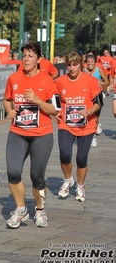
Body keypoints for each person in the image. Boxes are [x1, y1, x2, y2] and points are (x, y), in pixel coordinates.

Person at [3, 43, 58, 229]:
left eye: (30, 56)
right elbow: (7, 99)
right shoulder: (14, 78)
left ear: (39, 59)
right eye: (24, 55)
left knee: (37, 177)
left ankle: (40, 210)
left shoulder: (47, 81)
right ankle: (20, 209)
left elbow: (54, 109)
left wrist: (37, 100)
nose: (26, 59)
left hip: (41, 134)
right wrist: (9, 111)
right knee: (12, 172)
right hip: (18, 132)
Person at [54, 50, 102, 203]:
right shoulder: (60, 81)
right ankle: (68, 179)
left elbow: (99, 103)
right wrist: (56, 112)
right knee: (64, 153)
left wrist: (89, 111)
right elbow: (55, 101)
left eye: (75, 65)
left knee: (81, 158)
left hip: (86, 125)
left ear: (81, 64)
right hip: (66, 123)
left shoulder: (91, 81)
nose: (72, 68)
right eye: (69, 65)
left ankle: (80, 186)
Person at [83, 54, 109, 148]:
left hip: (97, 96)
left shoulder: (99, 70)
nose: (90, 64)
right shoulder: (84, 71)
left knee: (96, 118)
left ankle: (94, 132)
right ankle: (90, 136)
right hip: (87, 96)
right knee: (88, 117)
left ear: (95, 62)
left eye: (92, 62)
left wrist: (101, 82)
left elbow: (108, 82)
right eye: (88, 62)